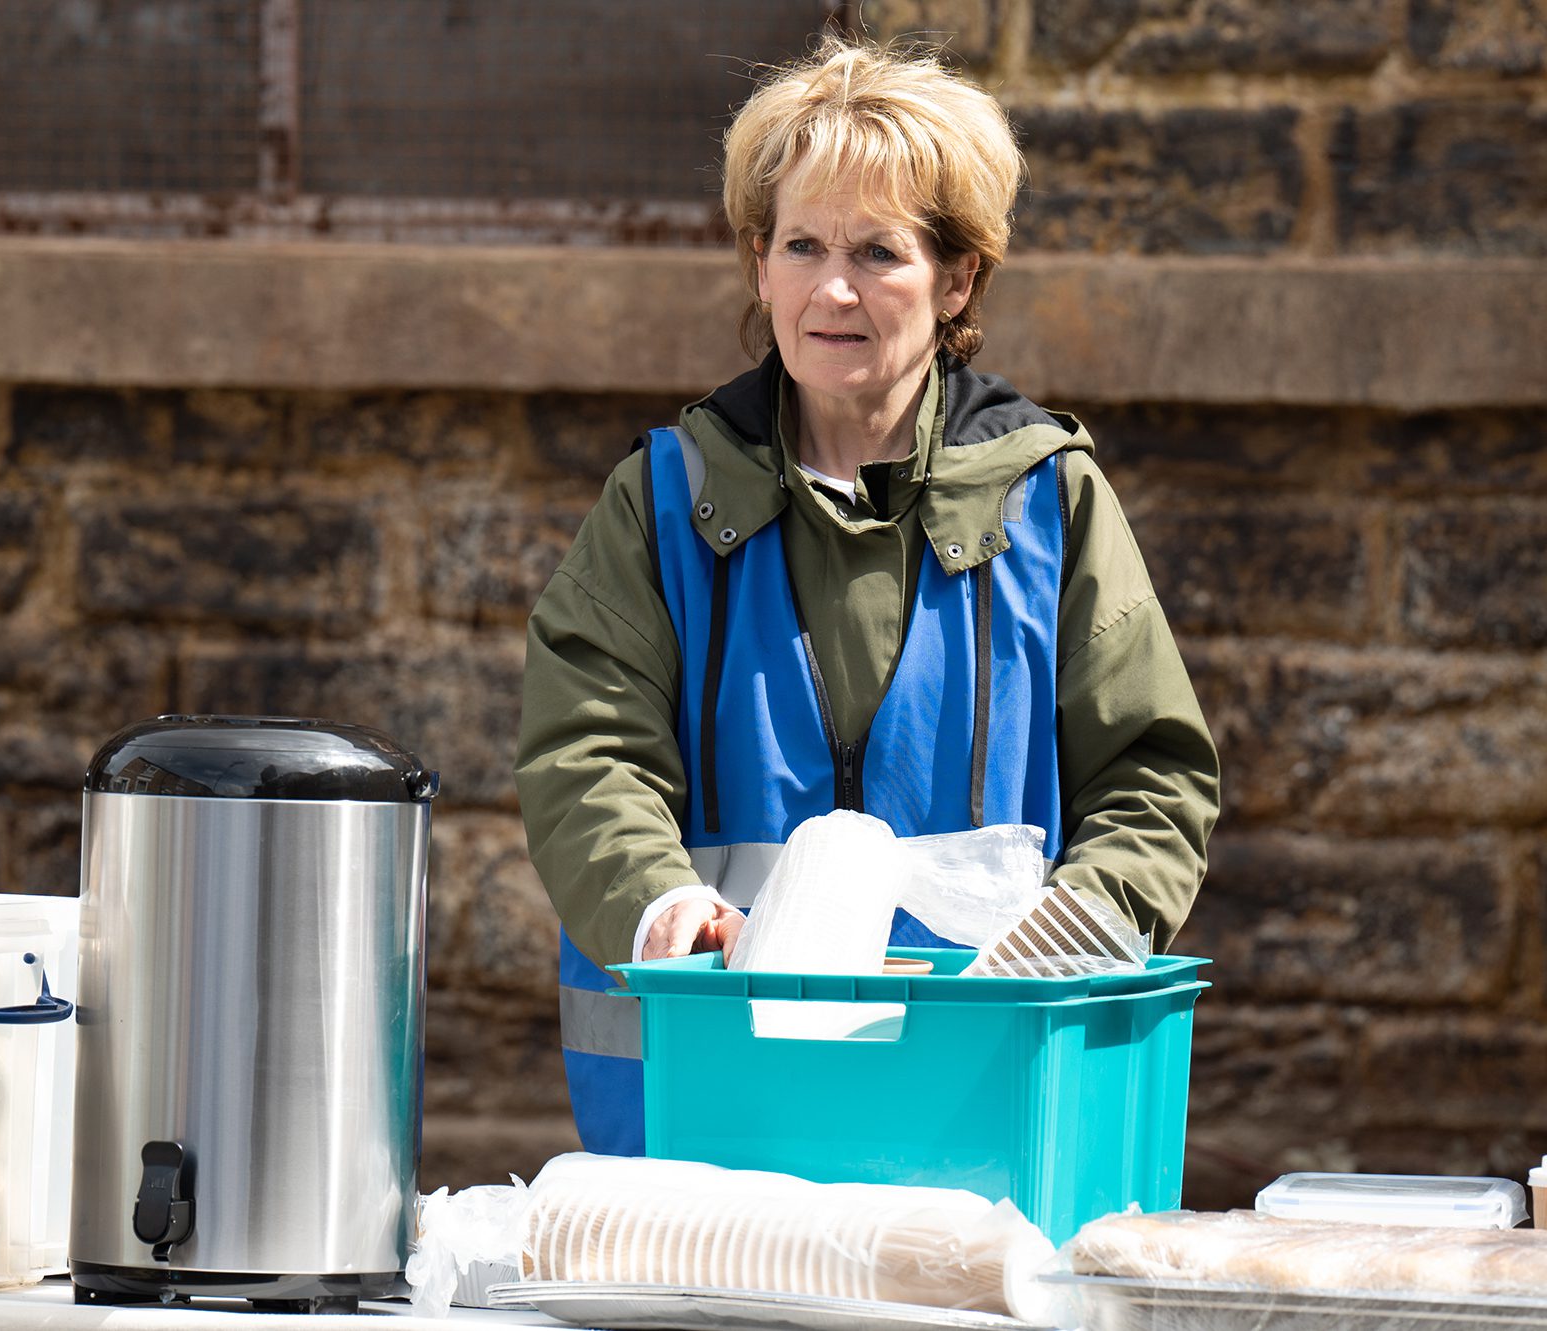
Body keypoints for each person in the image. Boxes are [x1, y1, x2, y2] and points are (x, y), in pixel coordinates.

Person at [514, 38, 1220, 1156]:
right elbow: (583, 749)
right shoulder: (659, 500)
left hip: (972, 1099)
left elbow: (1151, 770)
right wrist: (655, 903)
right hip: (708, 1093)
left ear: (957, 279)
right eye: (799, 244)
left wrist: (1084, 919)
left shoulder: (1050, 501)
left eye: (878, 252)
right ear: (758, 266)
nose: (830, 288)